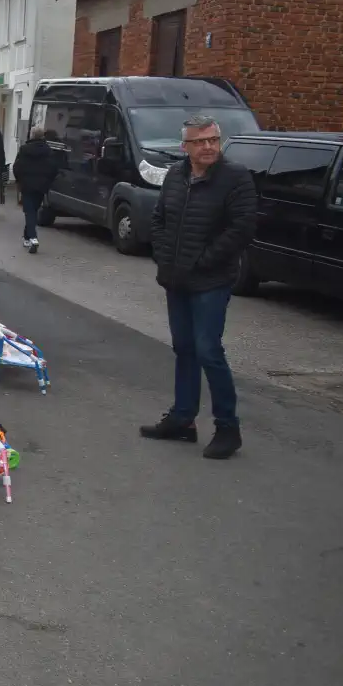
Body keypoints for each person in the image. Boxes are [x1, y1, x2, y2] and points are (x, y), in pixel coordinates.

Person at [140, 115, 257, 460]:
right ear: (185, 147)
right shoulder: (176, 176)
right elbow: (160, 219)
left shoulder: (236, 178)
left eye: (213, 140)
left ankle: (227, 427)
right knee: (184, 348)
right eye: (200, 141)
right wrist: (164, 258)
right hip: (177, 279)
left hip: (211, 280)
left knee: (209, 350)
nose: (208, 147)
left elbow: (242, 229)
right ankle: (182, 419)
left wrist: (202, 260)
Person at [11, 126, 59, 254]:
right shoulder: (48, 151)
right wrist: (48, 181)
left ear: (31, 135)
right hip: (42, 185)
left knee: (29, 211)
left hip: (27, 185)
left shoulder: (24, 149)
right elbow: (54, 168)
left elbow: (17, 166)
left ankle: (32, 238)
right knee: (33, 210)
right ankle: (27, 237)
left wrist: (19, 179)